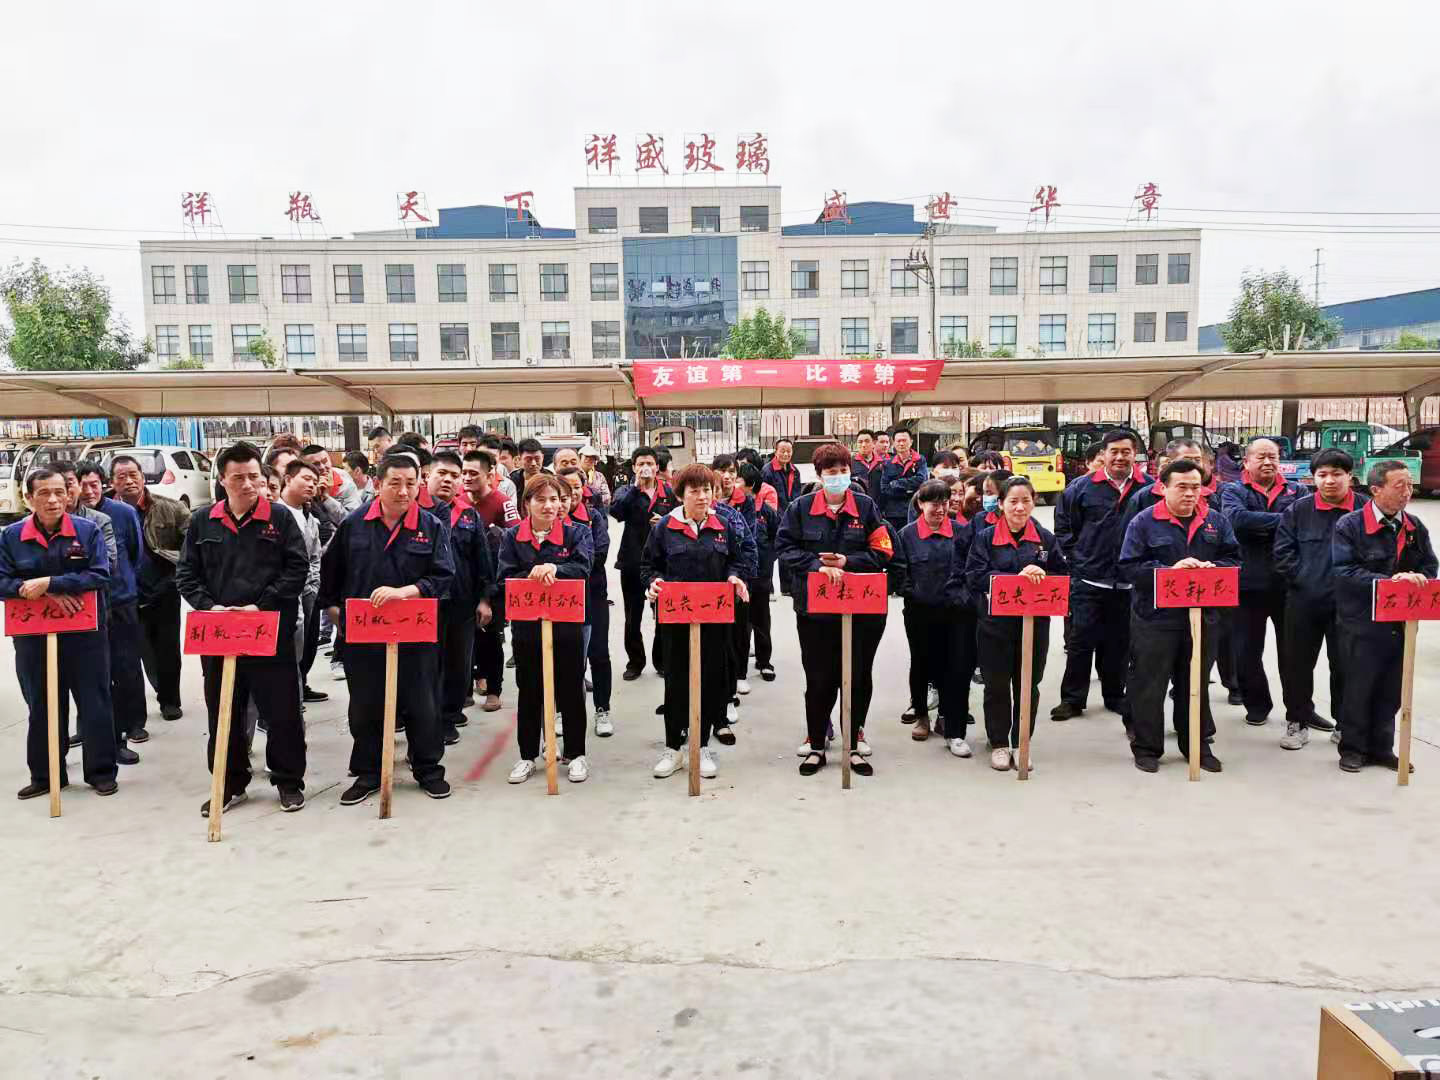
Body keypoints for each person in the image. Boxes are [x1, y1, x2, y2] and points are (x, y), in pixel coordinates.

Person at [175, 442, 310, 814]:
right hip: (220, 634)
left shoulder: (279, 518)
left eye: (253, 476)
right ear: (222, 480)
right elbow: (186, 573)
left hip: (269, 632)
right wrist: (210, 607)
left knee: (282, 711)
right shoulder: (203, 520)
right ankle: (229, 783)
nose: (248, 484)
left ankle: (288, 782)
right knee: (224, 712)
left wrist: (260, 606)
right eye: (238, 478)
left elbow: (296, 569)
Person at [319, 454, 456, 804]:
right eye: (395, 483)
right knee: (366, 705)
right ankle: (368, 772)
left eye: (411, 484)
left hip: (416, 633)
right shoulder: (354, 525)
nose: (404, 491)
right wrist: (337, 615)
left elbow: (444, 576)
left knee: (422, 703)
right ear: (378, 484)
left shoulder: (431, 526)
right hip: (364, 636)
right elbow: (331, 577)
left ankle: (428, 769)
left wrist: (405, 593)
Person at [776, 442, 894, 777]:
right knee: (819, 677)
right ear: (820, 475)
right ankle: (816, 744)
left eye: (844, 470)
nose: (839, 477)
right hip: (815, 610)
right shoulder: (800, 508)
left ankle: (853, 744)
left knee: (857, 676)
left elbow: (883, 551)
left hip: (861, 610)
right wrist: (816, 565)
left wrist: (848, 562)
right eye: (832, 472)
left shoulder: (866, 507)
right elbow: (784, 547)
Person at [1, 468, 117, 799]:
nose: (53, 500)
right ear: (28, 498)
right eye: (43, 493)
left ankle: (101, 772)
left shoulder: (87, 531)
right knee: (42, 703)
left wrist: (53, 582)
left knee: (94, 700)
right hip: (33, 635)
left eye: (59, 492)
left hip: (85, 634)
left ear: (68, 495)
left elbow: (101, 574)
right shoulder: (11, 537)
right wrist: (43, 592)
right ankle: (47, 775)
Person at [1118, 459, 1240, 774]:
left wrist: (1215, 569)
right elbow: (1129, 567)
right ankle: (1147, 747)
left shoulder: (1215, 521)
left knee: (1195, 682)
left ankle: (1196, 744)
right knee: (1150, 683)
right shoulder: (1144, 522)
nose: (1189, 494)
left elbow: (1234, 559)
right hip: (1155, 619)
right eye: (1182, 487)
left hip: (1202, 617)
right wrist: (1170, 572)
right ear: (1163, 488)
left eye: (1195, 487)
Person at [643, 463, 750, 781]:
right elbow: (649, 565)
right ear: (681, 495)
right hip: (675, 618)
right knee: (676, 682)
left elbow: (737, 560)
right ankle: (674, 748)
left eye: (707, 490)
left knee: (709, 680)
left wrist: (735, 577)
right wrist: (653, 582)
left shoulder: (723, 525)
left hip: (714, 617)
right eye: (694, 491)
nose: (702, 496)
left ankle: (701, 746)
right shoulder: (664, 527)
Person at [1332, 460, 1437, 774]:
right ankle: (1353, 748)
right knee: (1359, 686)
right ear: (1376, 489)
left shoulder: (1414, 526)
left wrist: (1419, 579)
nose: (1408, 492)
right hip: (1361, 620)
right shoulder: (1350, 526)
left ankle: (1381, 748)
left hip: (1401, 621)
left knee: (1392, 687)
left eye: (1409, 484)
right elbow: (1344, 571)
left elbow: (1430, 566)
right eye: (1399, 485)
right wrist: (1391, 582)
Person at [964, 476, 1067, 771]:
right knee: (996, 685)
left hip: (1034, 624)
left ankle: (1021, 741)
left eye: (1026, 501)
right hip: (994, 625)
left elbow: (1062, 575)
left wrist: (1042, 574)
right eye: (1013, 501)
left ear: (1034, 502)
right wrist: (1013, 580)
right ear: (1000, 504)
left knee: (1028, 684)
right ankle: (998, 743)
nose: (1020, 507)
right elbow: (974, 575)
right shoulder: (985, 538)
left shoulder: (1045, 539)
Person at [499, 474, 594, 784]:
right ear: (527, 504)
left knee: (571, 688)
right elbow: (504, 577)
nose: (549, 506)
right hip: (527, 625)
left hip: (567, 622)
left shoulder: (577, 533)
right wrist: (532, 575)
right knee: (529, 689)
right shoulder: (512, 537)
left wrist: (556, 568)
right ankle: (527, 755)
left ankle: (576, 754)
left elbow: (583, 567)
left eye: (554, 499)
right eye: (541, 499)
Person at [1052, 429, 1148, 723]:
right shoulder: (1081, 488)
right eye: (1114, 451)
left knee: (1119, 643)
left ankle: (1114, 695)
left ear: (1135, 454)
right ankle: (1072, 699)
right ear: (1103, 454)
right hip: (1089, 579)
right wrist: (1079, 558)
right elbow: (1064, 528)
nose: (1119, 457)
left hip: (1129, 582)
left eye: (1126, 451)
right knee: (1080, 641)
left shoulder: (1149, 488)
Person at [1273, 449, 1365, 750]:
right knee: (1297, 664)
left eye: (1337, 474)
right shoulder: (1298, 510)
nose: (1329, 481)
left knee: (1347, 665)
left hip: (1350, 606)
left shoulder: (1366, 510)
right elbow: (1283, 553)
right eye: (1322, 475)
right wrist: (1305, 579)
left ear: (1350, 476)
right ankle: (1297, 722)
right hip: (1304, 602)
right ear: (1313, 478)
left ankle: (1345, 723)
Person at [1220, 438, 1307, 727]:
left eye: (1273, 456)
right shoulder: (1232, 490)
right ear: (1246, 462)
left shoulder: (1298, 490)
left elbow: (1304, 524)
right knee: (1246, 651)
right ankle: (1257, 705)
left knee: (1294, 653)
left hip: (1289, 584)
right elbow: (1236, 521)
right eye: (1261, 457)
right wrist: (1285, 522)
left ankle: (1299, 711)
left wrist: (1262, 524)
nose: (1268, 462)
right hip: (1247, 585)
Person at [111, 453, 190, 723]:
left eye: (133, 475)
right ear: (113, 482)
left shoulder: (171, 508)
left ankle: (170, 700)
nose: (129, 481)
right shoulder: (108, 513)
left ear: (143, 478)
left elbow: (191, 547)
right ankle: (145, 700)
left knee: (168, 648)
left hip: (165, 586)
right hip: (128, 592)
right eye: (121, 477)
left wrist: (177, 575)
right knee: (140, 649)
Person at [899, 478, 974, 756]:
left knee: (954, 666)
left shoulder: (961, 532)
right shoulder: (907, 535)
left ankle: (948, 719)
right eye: (934, 504)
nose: (940, 509)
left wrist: (961, 598)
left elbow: (970, 568)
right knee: (921, 663)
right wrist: (913, 592)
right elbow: (899, 571)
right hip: (920, 611)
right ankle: (922, 715)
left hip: (955, 612)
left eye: (945, 503)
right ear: (921, 504)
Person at [76, 463, 147, 757]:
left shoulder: (122, 514)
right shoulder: (70, 518)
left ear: (103, 484)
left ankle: (134, 722)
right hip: (85, 607)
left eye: (94, 484)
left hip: (120, 599)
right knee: (91, 671)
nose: (88, 491)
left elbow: (136, 553)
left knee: (126, 664)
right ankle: (90, 727)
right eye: (82, 485)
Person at [428, 450, 495, 747]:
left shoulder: (468, 515)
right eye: (441, 473)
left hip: (461, 601)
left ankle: (449, 715)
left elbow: (482, 559)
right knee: (427, 664)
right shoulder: (413, 511)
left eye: (454, 476)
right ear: (427, 475)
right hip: (425, 603)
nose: (448, 480)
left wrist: (485, 599)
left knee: (458, 662)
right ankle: (423, 717)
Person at [610, 446, 678, 680]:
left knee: (663, 614)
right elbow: (617, 513)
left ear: (657, 467)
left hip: (661, 562)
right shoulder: (625, 491)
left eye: (649, 463)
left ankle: (662, 661)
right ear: (634, 467)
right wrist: (636, 488)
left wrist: (665, 521)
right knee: (633, 615)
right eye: (640, 464)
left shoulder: (669, 492)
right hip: (632, 560)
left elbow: (681, 518)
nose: (645, 468)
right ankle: (635, 662)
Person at [558, 465, 613, 736]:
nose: (572, 493)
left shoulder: (593, 518)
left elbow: (598, 555)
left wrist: (563, 567)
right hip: (560, 600)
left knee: (599, 654)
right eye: (565, 489)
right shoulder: (549, 520)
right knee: (565, 659)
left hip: (593, 594)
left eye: (576, 487)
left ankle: (602, 709)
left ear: (584, 489)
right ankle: (562, 711)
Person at [464, 449, 518, 711]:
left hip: (494, 581)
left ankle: (494, 691)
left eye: (473, 473)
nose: (467, 478)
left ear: (489, 475)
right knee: (464, 639)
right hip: (464, 582)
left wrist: (496, 536)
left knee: (490, 638)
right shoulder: (458, 501)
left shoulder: (502, 502)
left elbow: (516, 535)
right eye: (464, 473)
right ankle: (467, 687)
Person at [736, 462, 779, 682]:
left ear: (750, 484)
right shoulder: (733, 509)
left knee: (761, 618)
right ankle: (739, 668)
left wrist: (768, 559)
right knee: (741, 623)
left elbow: (778, 538)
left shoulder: (766, 511)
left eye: (738, 479)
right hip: (739, 575)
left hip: (761, 574)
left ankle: (764, 662)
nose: (734, 482)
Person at [876, 428, 929, 534]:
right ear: (894, 443)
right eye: (898, 441)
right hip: (893, 513)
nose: (901, 444)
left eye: (904, 440)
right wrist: (909, 490)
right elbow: (885, 488)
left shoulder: (920, 460)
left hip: (915, 510)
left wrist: (896, 484)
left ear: (911, 442)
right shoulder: (888, 463)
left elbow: (921, 480)